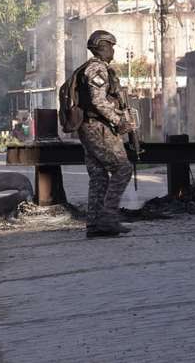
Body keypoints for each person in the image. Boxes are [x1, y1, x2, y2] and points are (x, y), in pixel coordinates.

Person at [77, 30, 135, 239]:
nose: (113, 51)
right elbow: (98, 101)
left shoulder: (95, 68)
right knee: (122, 168)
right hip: (97, 128)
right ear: (101, 46)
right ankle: (108, 217)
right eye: (111, 46)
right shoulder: (97, 69)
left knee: (99, 175)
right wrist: (120, 121)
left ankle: (94, 224)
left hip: (90, 127)